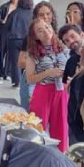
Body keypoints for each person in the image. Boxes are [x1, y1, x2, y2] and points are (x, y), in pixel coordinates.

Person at [25, 19, 70, 151]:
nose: (45, 31)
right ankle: (36, 154)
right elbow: (30, 79)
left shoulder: (63, 48)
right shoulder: (33, 53)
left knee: (61, 128)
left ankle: (60, 157)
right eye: (40, 30)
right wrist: (48, 73)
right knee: (38, 128)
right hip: (43, 91)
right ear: (36, 37)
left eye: (46, 26)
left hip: (62, 91)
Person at [4, 0, 33, 90]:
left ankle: (17, 82)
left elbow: (6, 26)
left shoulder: (14, 13)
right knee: (29, 60)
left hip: (14, 39)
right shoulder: (33, 14)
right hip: (28, 40)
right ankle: (28, 79)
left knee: (15, 61)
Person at [0, 0, 19, 80]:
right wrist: (2, 21)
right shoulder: (5, 6)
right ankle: (0, 72)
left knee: (10, 53)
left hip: (14, 32)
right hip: (4, 31)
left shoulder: (20, 8)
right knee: (1, 51)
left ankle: (8, 73)